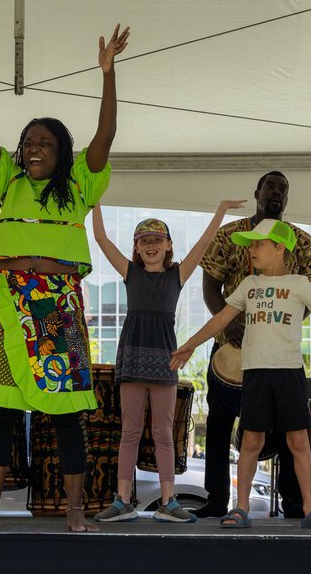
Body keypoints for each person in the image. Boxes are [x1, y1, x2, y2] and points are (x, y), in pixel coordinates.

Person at [0, 21, 128, 533]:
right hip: (7, 301)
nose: (34, 147)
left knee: (66, 413)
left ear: (62, 150)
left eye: (45, 141)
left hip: (58, 304)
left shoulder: (82, 182)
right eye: (28, 142)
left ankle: (73, 509)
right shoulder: (6, 181)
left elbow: (105, 134)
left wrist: (108, 74)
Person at [171, 219, 311, 529]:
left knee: (299, 442)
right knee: (250, 442)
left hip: (289, 373)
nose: (251, 249)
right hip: (256, 375)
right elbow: (221, 320)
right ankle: (241, 508)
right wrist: (188, 346)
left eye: (258, 244)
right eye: (250, 244)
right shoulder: (249, 286)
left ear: (279, 248)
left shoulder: (299, 284)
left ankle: (309, 509)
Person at [91, 200, 243, 524]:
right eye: (144, 241)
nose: (150, 246)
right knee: (129, 430)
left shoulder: (177, 275)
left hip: (165, 360)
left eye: (157, 240)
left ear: (168, 245)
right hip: (131, 358)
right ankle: (122, 500)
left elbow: (204, 243)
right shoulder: (130, 272)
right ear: (135, 247)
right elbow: (102, 240)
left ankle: (168, 501)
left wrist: (221, 210)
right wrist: (96, 204)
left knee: (162, 432)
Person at [198, 171, 311, 520]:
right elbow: (210, 285)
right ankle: (216, 498)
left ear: (287, 199)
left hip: (278, 354)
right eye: (270, 186)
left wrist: (274, 329)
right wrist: (233, 325)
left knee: (289, 428)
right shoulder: (229, 236)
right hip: (230, 345)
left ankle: (295, 502)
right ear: (257, 192)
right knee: (220, 422)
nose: (276, 193)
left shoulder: (301, 241)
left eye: (283, 189)